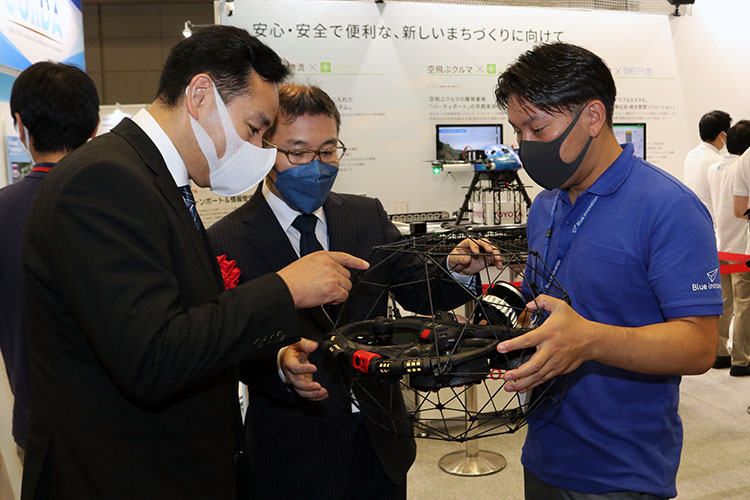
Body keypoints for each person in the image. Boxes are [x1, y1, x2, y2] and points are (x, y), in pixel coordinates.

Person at [20, 27, 368, 500]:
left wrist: (270, 357)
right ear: (201, 95)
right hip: (123, 476)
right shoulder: (105, 180)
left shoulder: (159, 181)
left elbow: (191, 318)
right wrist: (284, 289)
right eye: (254, 129)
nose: (258, 148)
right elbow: (152, 356)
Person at [208, 83, 501, 500]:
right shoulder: (227, 241)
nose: (316, 166)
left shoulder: (365, 215)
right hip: (291, 452)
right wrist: (277, 362)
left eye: (328, 151)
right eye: (298, 153)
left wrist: (456, 270)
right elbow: (222, 342)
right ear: (264, 150)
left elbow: (415, 289)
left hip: (380, 443)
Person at [493, 43, 721, 499]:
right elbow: (540, 307)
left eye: (537, 128)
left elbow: (699, 346)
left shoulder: (669, 208)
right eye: (518, 132)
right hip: (542, 454)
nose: (525, 146)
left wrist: (592, 341)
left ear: (593, 117)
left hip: (623, 473)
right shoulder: (545, 206)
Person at [0, 62, 99, 460]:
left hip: (38, 428)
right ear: (95, 128)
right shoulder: (121, 203)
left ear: (20, 126)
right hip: (121, 432)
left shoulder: (4, 210)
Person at [707, 120, 750, 375]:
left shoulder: (714, 167)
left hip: (720, 244)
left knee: (724, 302)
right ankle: (741, 360)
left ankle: (720, 353)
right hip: (741, 247)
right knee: (744, 304)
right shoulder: (742, 169)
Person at [683, 109, 732, 217]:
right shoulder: (718, 162)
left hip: (694, 217)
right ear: (722, 135)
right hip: (712, 221)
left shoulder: (691, 155)